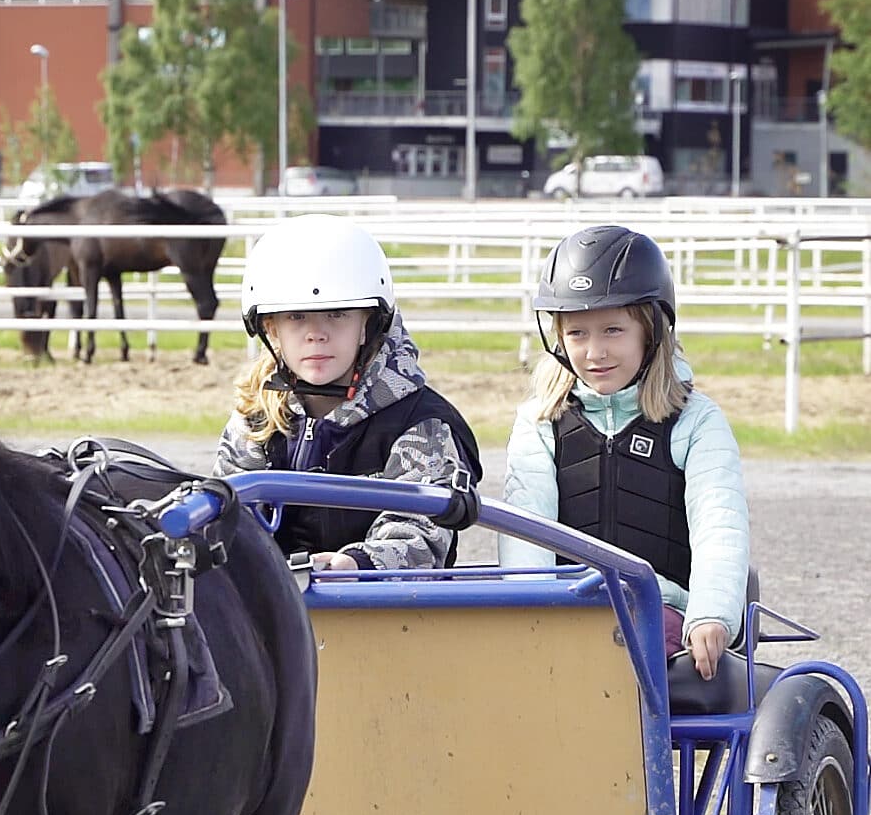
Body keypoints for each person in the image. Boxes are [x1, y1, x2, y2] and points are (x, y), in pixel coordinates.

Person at [500, 223, 748, 679]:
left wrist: (711, 613)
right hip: (566, 611)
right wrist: (528, 618)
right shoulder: (539, 421)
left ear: (650, 330)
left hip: (662, 613)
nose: (595, 352)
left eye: (613, 329)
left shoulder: (697, 420)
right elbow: (525, 533)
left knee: (620, 651)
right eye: (577, 333)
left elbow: (721, 524)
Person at [215, 215, 482, 570]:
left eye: (337, 314)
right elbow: (224, 523)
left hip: (384, 614)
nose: (316, 334)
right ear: (272, 329)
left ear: (367, 324)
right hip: (272, 612)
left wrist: (357, 564)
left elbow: (421, 533)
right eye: (296, 317)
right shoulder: (256, 415)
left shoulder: (422, 422)